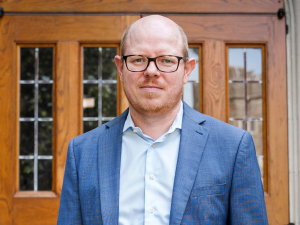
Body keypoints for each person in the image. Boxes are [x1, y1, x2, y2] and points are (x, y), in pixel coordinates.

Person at [57, 15, 268, 224]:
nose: (151, 71)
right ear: (120, 68)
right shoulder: (83, 152)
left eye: (166, 60)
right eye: (138, 59)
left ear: (187, 70)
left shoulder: (233, 147)